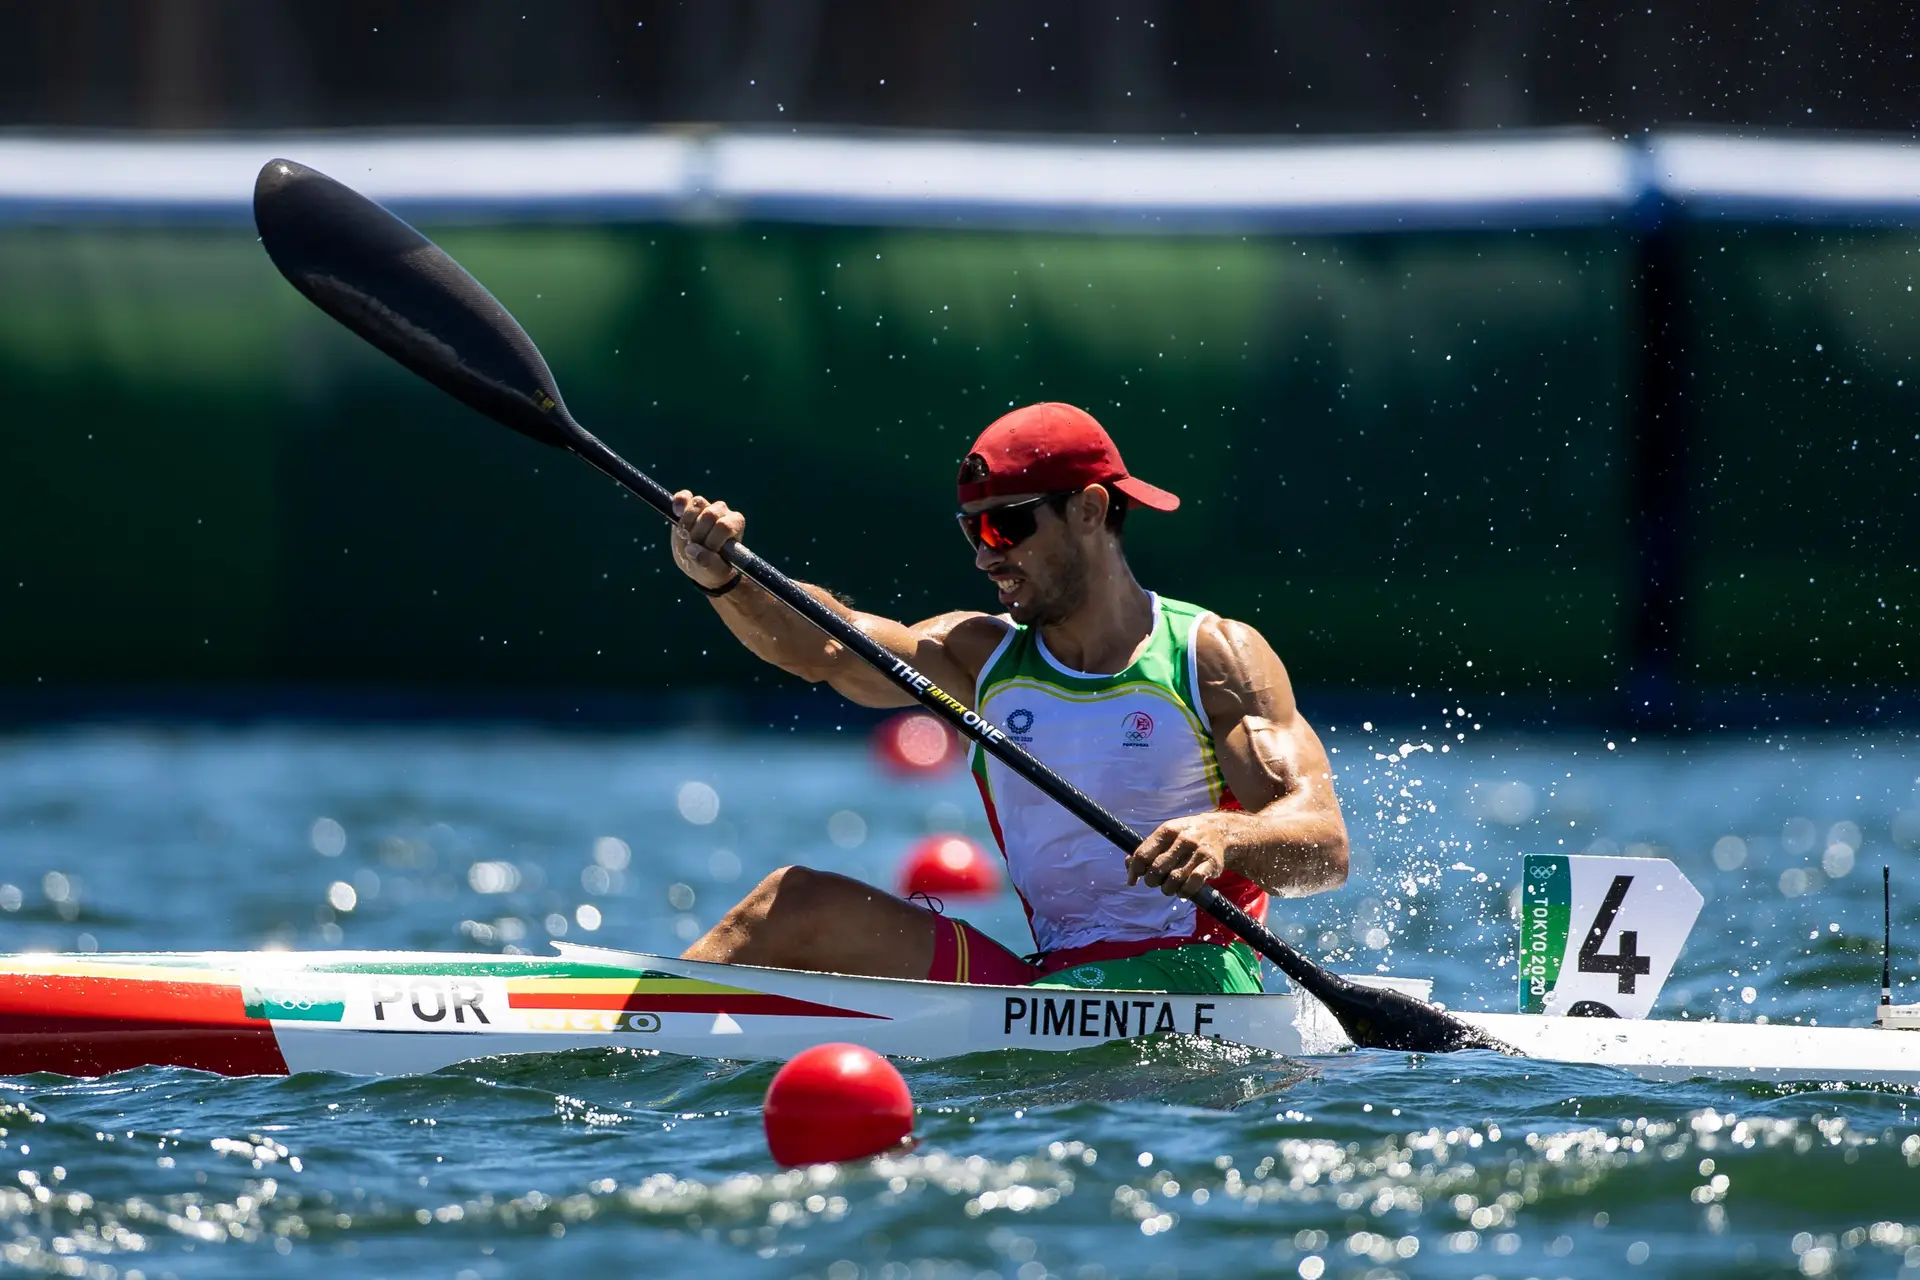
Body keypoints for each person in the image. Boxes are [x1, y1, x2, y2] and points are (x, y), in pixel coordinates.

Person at [670, 402, 1348, 994]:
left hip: (1199, 973)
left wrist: (1226, 835)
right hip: (1055, 976)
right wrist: (728, 580)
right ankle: (625, 1022)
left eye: (1005, 528)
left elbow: (1325, 846)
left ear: (1089, 509)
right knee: (790, 905)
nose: (983, 557)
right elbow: (825, 647)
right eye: (972, 531)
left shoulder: (1211, 657)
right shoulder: (978, 658)